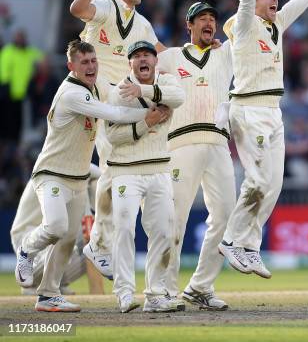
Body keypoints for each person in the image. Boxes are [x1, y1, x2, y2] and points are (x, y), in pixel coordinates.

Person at [218, 0, 308, 278]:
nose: (275, 0)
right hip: (248, 108)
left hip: (274, 111)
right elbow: (244, 3)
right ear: (254, 2)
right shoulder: (242, 26)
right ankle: (230, 239)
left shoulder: (277, 24)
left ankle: (250, 247)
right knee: (255, 181)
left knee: (271, 186)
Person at [14, 40, 151, 312]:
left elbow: (115, 94)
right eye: (84, 63)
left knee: (66, 240)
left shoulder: (94, 86)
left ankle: (49, 294)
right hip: (52, 174)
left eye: (93, 61)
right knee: (55, 227)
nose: (91, 67)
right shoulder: (71, 93)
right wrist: (151, 113)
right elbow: (112, 112)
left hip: (78, 178)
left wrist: (148, 90)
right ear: (71, 66)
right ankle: (27, 250)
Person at [70, 0, 164, 279]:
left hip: (121, 105)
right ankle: (98, 242)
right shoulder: (105, 7)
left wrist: (201, 54)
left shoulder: (143, 25)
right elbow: (76, 7)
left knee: (112, 169)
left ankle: (98, 242)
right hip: (96, 100)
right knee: (111, 165)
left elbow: (163, 55)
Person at [157, 2, 234, 310]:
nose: (209, 22)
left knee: (226, 215)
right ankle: (165, 289)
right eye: (202, 18)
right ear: (188, 24)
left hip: (218, 144)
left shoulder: (224, 54)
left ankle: (201, 286)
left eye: (213, 19)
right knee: (174, 218)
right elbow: (141, 60)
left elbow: (246, 22)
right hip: (180, 144)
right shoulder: (171, 57)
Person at [105, 41, 184, 313]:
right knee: (125, 229)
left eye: (147, 55)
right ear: (130, 63)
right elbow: (113, 136)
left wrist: (144, 91)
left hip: (159, 169)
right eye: (137, 56)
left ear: (155, 60)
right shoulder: (117, 94)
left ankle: (155, 295)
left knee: (163, 231)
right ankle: (125, 293)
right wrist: (145, 123)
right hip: (126, 170)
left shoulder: (168, 82)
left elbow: (178, 98)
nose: (143, 60)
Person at [10, 165, 101, 295]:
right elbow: (101, 174)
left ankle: (55, 283)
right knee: (65, 230)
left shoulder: (82, 170)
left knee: (101, 239)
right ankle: (37, 282)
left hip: (50, 234)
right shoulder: (57, 165)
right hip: (28, 235)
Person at [0, 29, 44, 142]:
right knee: (8, 121)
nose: (20, 40)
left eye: (22, 38)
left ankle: (16, 142)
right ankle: (9, 141)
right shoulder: (8, 51)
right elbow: (3, 70)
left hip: (26, 94)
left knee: (21, 122)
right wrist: (5, 86)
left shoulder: (30, 52)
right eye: (18, 37)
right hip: (10, 93)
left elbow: (43, 59)